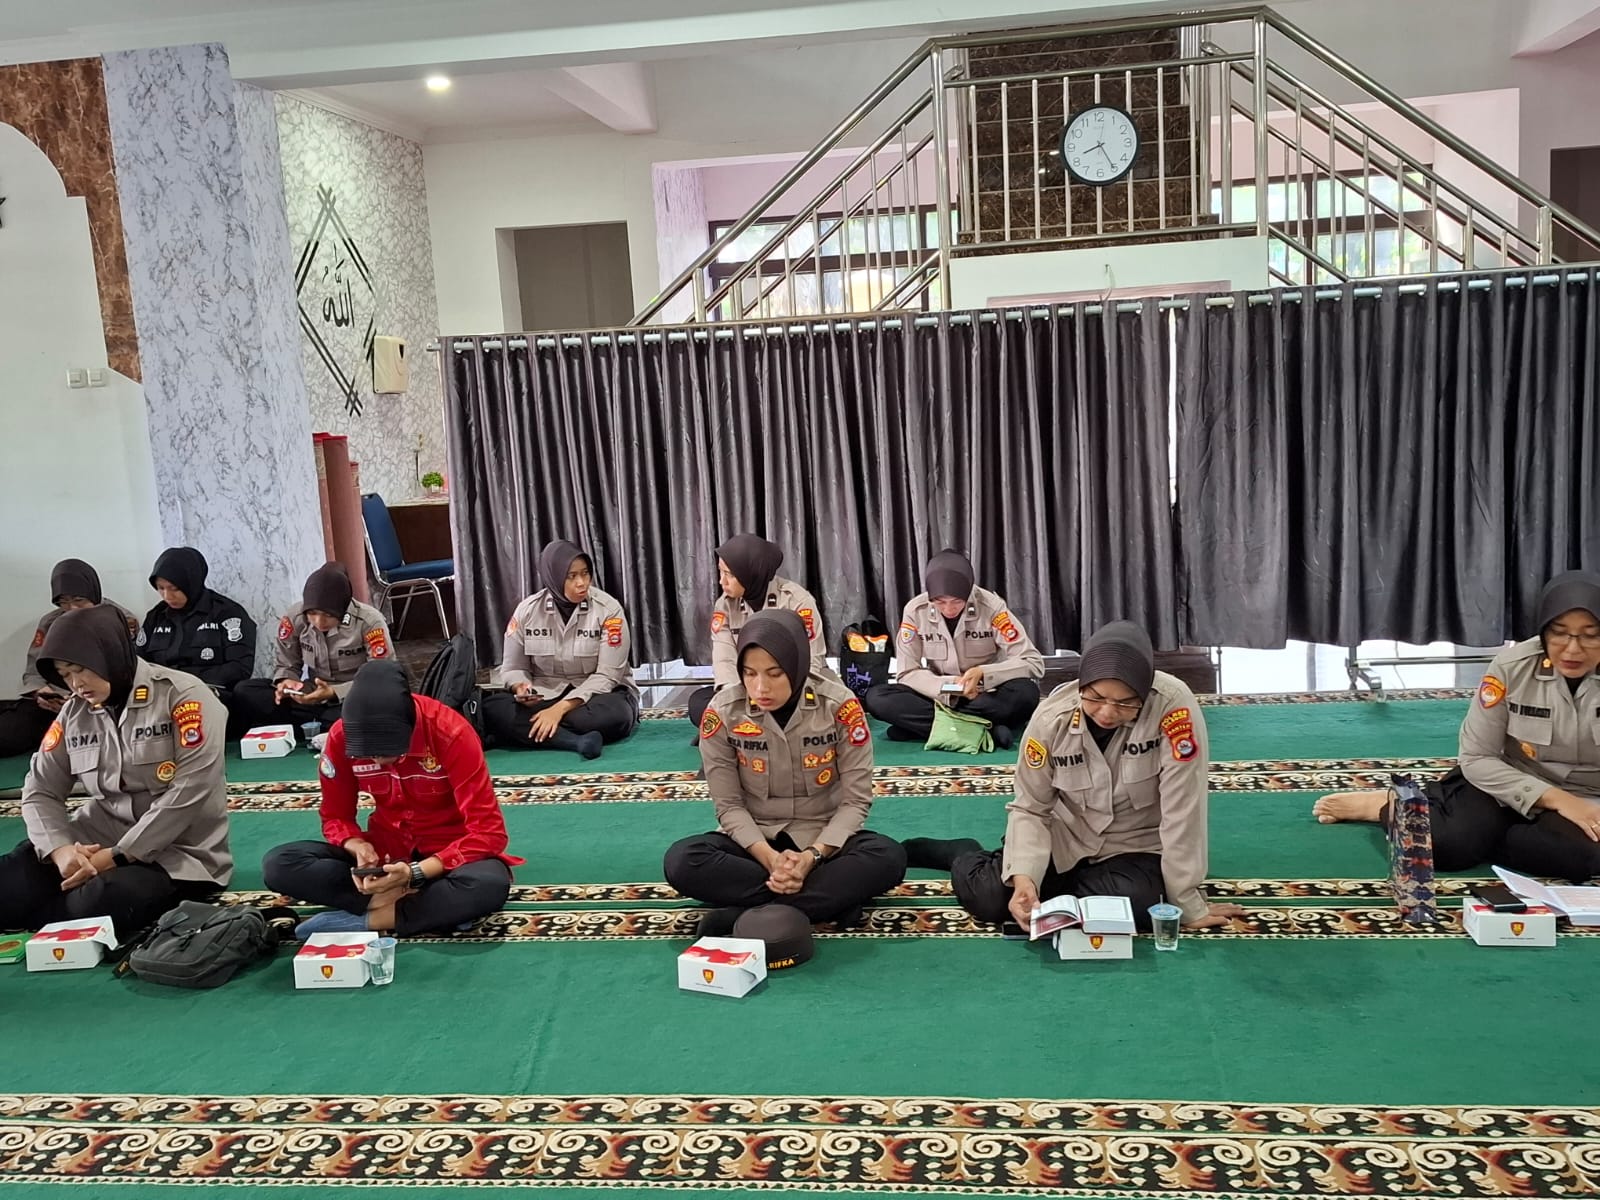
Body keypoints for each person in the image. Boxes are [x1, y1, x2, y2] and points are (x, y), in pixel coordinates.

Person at [904, 621, 1244, 932]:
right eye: (1095, 697)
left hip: (1135, 843)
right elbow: (1030, 808)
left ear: (1144, 692)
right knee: (991, 900)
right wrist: (1025, 880)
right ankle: (965, 854)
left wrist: (1186, 901)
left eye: (1126, 703)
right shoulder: (1052, 718)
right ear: (1082, 684)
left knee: (1148, 908)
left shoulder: (1174, 709)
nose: (1107, 712)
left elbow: (1183, 809)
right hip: (1065, 836)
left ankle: (1061, 889)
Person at [1313, 570, 1600, 881]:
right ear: (1543, 630)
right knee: (1447, 846)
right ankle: (1392, 806)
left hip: (1591, 795)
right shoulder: (1512, 667)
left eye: (1590, 635)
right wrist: (1558, 800)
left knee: (1581, 859)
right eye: (1559, 633)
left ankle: (1458, 824)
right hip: (1508, 783)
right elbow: (1477, 757)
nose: (1572, 649)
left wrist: (1578, 806)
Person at [0, 605, 232, 939]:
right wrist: (60, 851)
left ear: (109, 653)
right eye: (65, 675)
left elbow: (191, 790)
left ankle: (42, 915)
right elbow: (40, 790)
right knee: (11, 879)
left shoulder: (182, 697)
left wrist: (119, 855)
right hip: (93, 843)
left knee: (101, 902)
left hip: (176, 853)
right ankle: (46, 910)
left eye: (81, 669)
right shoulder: (75, 712)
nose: (76, 684)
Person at [664, 610, 907, 928]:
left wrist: (810, 858)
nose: (760, 687)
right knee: (682, 860)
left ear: (796, 665)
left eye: (774, 673)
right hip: (755, 843)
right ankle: (825, 903)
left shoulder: (839, 707)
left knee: (887, 856)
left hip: (824, 843)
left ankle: (747, 912)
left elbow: (855, 802)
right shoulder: (723, 712)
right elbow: (729, 806)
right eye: (749, 673)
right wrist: (771, 859)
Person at [262, 660, 520, 936]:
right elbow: (335, 816)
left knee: (488, 885)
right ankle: (413, 905)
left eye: (388, 753)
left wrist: (415, 873)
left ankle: (374, 918)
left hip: (448, 856)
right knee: (280, 864)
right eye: (368, 755)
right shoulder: (340, 737)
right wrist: (357, 846)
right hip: (385, 852)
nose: (378, 761)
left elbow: (489, 832)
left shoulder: (451, 733)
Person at [865, 549, 1045, 749]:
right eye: (940, 602)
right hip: (938, 694)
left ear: (968, 593)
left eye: (957, 602)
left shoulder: (992, 608)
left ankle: (930, 728)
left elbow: (1033, 662)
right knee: (877, 698)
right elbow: (906, 672)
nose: (948, 609)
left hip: (984, 695)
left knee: (1026, 693)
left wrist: (983, 674)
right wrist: (948, 686)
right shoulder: (915, 611)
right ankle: (988, 729)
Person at [480, 539, 639, 759]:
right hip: (546, 695)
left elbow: (608, 676)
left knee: (615, 716)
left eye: (585, 573)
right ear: (553, 577)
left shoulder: (608, 610)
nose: (581, 583)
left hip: (596, 697)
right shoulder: (527, 611)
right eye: (571, 576)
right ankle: (576, 742)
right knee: (492, 708)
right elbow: (513, 667)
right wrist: (521, 688)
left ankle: (524, 733)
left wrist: (559, 710)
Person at [687, 533, 829, 731]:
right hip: (750, 689)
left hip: (793, 688)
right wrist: (737, 699)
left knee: (826, 702)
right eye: (721, 572)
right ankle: (765, 725)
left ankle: (751, 728)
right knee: (699, 705)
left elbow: (813, 660)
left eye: (730, 575)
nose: (722, 582)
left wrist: (782, 695)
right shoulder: (725, 606)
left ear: (750, 573)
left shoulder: (796, 600)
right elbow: (724, 659)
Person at [231, 563, 392, 735]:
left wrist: (333, 692)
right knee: (246, 691)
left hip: (354, 696)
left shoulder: (369, 621)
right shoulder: (295, 617)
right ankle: (324, 727)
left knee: (374, 709)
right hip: (311, 696)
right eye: (312, 613)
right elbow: (287, 664)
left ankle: (314, 727)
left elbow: (380, 677)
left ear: (342, 608)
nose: (319, 622)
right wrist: (287, 682)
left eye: (328, 615)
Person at [0, 559, 139, 758]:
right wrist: (41, 692)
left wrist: (81, 698)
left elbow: (129, 671)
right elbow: (33, 672)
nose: (72, 608)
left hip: (102, 701)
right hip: (55, 704)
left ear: (93, 594)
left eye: (79, 600)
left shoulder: (118, 620)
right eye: (63, 602)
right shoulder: (50, 623)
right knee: (8, 735)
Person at [136, 547, 256, 707]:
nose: (167, 596)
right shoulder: (156, 616)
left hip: (211, 696)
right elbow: (138, 663)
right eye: (161, 588)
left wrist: (186, 680)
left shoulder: (227, 613)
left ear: (191, 582)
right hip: (161, 699)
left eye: (174, 588)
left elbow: (240, 668)